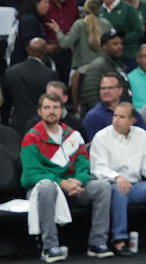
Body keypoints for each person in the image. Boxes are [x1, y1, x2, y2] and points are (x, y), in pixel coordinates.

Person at [21, 93, 114, 263]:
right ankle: (50, 247)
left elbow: (84, 166)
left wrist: (78, 181)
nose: (52, 111)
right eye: (47, 107)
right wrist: (61, 182)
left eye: (56, 107)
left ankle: (97, 243)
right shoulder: (31, 138)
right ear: (39, 111)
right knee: (47, 186)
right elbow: (31, 174)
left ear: (62, 110)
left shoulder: (73, 136)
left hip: (73, 188)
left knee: (103, 187)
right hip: (43, 190)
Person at [89, 103, 146, 254]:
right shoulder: (102, 137)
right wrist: (117, 177)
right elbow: (98, 168)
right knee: (120, 188)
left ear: (132, 120)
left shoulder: (142, 136)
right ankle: (119, 240)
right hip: (111, 185)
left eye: (121, 117)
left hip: (137, 186)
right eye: (115, 116)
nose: (116, 120)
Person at [53, 0, 112, 112]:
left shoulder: (79, 24)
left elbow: (65, 43)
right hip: (104, 71)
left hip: (82, 72)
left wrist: (57, 31)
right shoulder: (106, 24)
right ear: (99, 10)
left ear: (84, 10)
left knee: (82, 108)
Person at [2, 38, 56, 135]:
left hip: (17, 126)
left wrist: (4, 124)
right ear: (44, 52)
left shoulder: (11, 72)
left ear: (27, 50)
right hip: (41, 126)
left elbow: (5, 103)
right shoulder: (50, 74)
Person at [82, 72, 143, 139]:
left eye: (110, 88)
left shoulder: (130, 112)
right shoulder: (93, 116)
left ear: (120, 90)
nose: (106, 91)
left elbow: (142, 138)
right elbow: (96, 145)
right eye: (103, 88)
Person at [79, 31, 128, 114]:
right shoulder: (97, 67)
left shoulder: (118, 65)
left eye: (121, 43)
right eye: (115, 44)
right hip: (100, 118)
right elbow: (92, 98)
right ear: (104, 47)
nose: (120, 46)